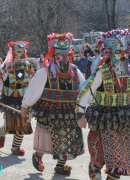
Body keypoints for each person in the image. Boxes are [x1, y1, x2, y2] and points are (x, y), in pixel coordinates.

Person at [76, 29, 130, 180]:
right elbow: (89, 90)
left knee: (119, 155)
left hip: (122, 116)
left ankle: (113, 176)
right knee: (100, 151)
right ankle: (95, 166)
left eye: (124, 52)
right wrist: (81, 114)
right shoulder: (102, 71)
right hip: (103, 115)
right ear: (109, 53)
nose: (122, 55)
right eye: (118, 52)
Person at [21, 32, 85, 176]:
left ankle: (60, 166)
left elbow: (84, 88)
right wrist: (25, 105)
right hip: (50, 110)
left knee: (68, 138)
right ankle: (38, 155)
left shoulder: (75, 71)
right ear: (54, 54)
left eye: (66, 54)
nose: (63, 58)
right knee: (47, 138)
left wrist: (87, 107)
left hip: (69, 111)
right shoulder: (46, 70)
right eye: (59, 54)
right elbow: (34, 88)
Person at [0, 41, 34, 156]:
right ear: (13, 53)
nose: (21, 54)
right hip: (10, 98)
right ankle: (0, 133)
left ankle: (15, 148)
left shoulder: (28, 66)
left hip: (24, 99)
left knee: (23, 124)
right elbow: (0, 80)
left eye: (23, 52)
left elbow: (33, 81)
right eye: (18, 52)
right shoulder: (7, 67)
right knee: (10, 124)